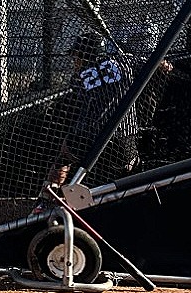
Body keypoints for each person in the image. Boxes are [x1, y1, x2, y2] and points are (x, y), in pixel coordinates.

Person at [47, 31, 170, 187]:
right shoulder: (126, 60)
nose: (74, 61)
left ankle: (46, 198)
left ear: (86, 53)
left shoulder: (78, 78)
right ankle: (137, 188)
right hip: (124, 134)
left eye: (76, 56)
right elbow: (164, 66)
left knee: (64, 156)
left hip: (87, 134)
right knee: (131, 165)